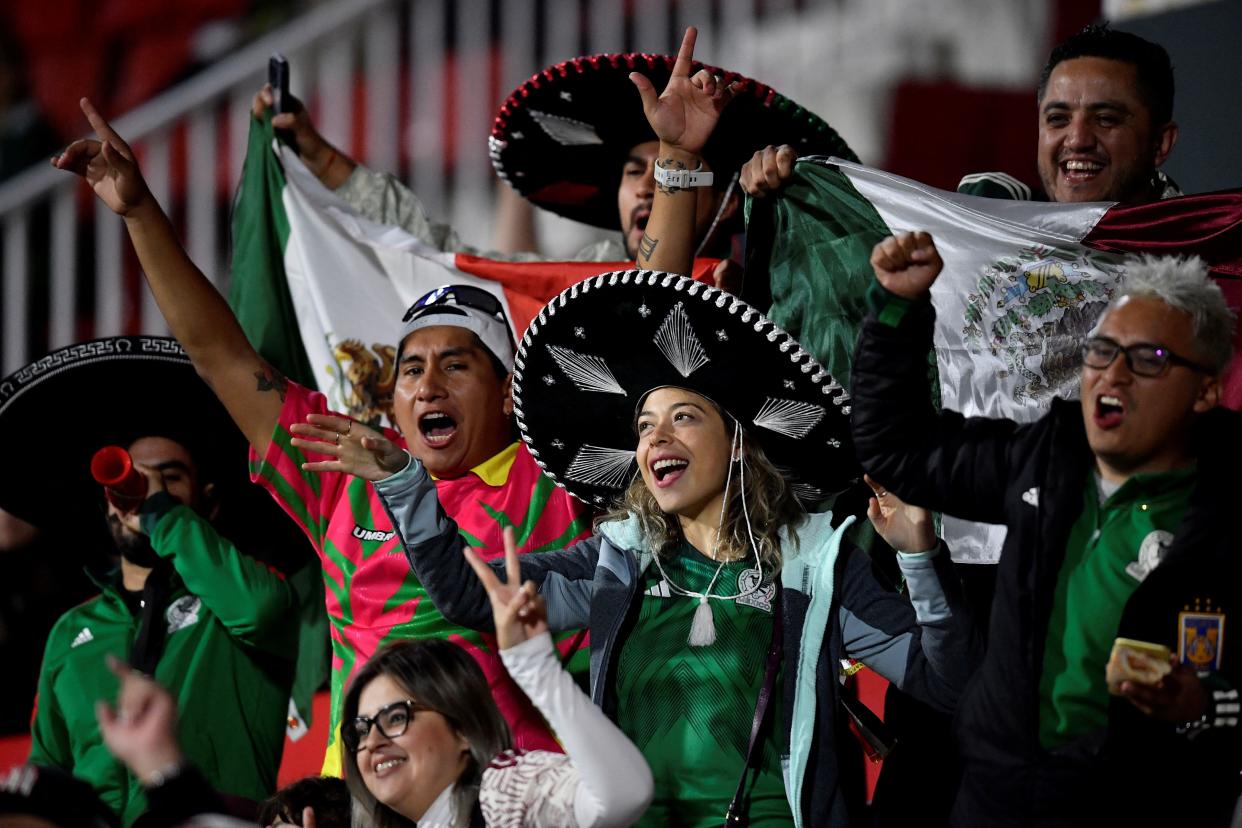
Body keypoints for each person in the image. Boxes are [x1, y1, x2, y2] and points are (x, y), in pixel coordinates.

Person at [52, 101, 597, 774]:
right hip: (362, 790)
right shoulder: (344, 461)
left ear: (508, 394)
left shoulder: (558, 475)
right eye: (412, 368)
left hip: (506, 785)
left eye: (457, 365)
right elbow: (219, 356)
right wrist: (139, 212)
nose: (427, 385)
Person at [851, 231, 1241, 825]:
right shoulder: (1047, 455)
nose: (1113, 375)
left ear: (1207, 390)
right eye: (1101, 351)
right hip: (996, 796)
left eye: (1148, 359)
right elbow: (897, 449)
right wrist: (897, 308)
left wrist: (1207, 704)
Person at [251, 36, 854, 273]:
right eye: (630, 170)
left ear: (726, 205)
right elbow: (439, 256)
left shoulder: (767, 271)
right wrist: (322, 158)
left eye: (667, 167)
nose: (645, 187)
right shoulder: (570, 281)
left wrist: (788, 201)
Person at [28, 431, 297, 825]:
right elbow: (48, 772)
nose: (146, 489)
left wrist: (162, 513)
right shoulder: (71, 630)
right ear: (108, 504)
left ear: (209, 502)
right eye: (132, 477)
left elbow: (260, 611)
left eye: (170, 478)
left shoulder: (236, 596)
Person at [339, 527, 652, 827]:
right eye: (360, 731)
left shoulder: (502, 796)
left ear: (462, 727)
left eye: (395, 718)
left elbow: (624, 797)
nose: (372, 742)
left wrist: (535, 666)